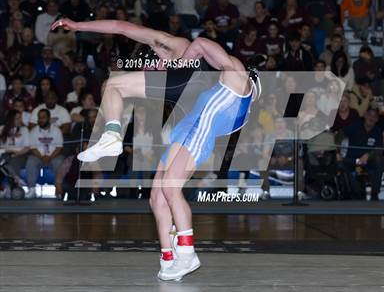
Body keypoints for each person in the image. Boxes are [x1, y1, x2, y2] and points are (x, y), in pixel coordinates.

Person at [52, 17, 259, 281]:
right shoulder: (224, 90)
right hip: (190, 118)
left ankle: (186, 252)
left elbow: (199, 45)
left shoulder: (191, 53)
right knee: (156, 196)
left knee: (115, 87)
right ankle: (167, 259)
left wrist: (177, 63)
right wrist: (80, 27)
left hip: (193, 100)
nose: (154, 63)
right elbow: (121, 28)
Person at [340, 106, 384, 200]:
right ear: (364, 115)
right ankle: (355, 193)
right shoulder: (354, 127)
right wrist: (336, 152)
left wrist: (368, 155)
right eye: (369, 115)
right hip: (352, 162)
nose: (371, 118)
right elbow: (337, 137)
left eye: (374, 116)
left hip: (368, 163)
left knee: (380, 160)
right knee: (341, 163)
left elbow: (379, 149)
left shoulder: (377, 132)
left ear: (377, 119)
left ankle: (374, 192)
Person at [25, 109, 64, 199]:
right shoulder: (33, 131)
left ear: (49, 118)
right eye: (39, 118)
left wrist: (50, 157)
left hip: (54, 156)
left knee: (59, 161)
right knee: (31, 161)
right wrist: (42, 157)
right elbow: (33, 148)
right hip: (38, 156)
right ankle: (32, 189)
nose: (41, 120)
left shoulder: (57, 130)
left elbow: (59, 147)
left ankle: (57, 188)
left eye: (43, 117)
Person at [0, 110, 30, 177]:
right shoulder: (2, 129)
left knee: (11, 161)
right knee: (5, 159)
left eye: (20, 117)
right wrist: (8, 151)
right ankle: (16, 180)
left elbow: (27, 147)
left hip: (21, 154)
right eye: (17, 118)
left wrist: (17, 154)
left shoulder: (24, 130)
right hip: (5, 153)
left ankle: (16, 181)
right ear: (11, 119)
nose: (20, 120)